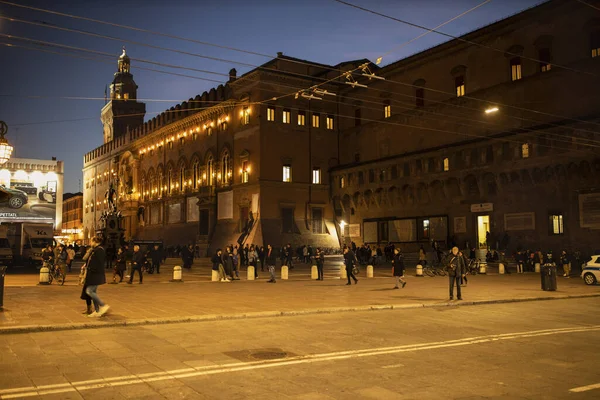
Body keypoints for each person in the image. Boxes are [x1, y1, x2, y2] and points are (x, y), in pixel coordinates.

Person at [84, 237, 110, 317]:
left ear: (95, 241)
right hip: (93, 274)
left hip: (96, 275)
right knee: (93, 292)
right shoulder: (95, 250)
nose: (90, 243)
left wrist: (91, 269)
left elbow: (99, 263)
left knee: (89, 291)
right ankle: (97, 310)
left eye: (91, 241)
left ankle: (103, 305)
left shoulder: (100, 250)